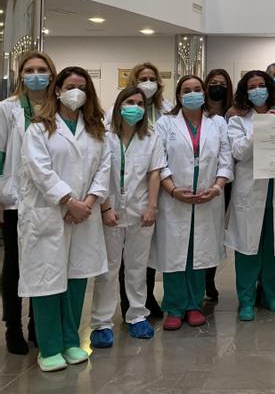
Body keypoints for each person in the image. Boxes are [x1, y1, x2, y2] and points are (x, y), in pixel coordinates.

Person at [19, 66, 111, 372]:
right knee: (47, 281)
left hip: (84, 214)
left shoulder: (97, 129)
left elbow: (104, 169)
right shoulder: (39, 128)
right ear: (57, 90)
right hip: (50, 214)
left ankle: (72, 341)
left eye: (82, 87)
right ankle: (50, 347)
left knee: (76, 279)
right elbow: (39, 170)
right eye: (71, 86)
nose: (77, 92)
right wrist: (69, 201)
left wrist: (87, 203)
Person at [153, 75, 233, 331]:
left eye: (197, 89)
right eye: (186, 90)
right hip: (174, 198)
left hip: (208, 196)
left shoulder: (217, 122)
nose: (192, 94)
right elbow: (158, 161)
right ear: (178, 96)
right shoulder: (165, 123)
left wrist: (217, 187)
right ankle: (174, 307)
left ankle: (194, 304)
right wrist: (172, 189)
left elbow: (226, 158)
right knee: (175, 252)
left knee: (200, 252)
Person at [89, 87, 166, 348]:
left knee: (137, 268)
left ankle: (136, 315)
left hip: (141, 209)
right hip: (109, 209)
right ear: (119, 105)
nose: (135, 107)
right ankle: (101, 322)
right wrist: (105, 207)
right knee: (108, 269)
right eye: (129, 102)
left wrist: (152, 207)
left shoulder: (151, 136)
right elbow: (98, 172)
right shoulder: (103, 135)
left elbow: (155, 173)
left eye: (140, 103)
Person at [226, 71, 275, 321]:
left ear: (269, 88)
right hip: (250, 193)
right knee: (247, 249)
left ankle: (270, 295)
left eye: (261, 86)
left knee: (272, 248)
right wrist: (261, 126)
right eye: (252, 87)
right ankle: (246, 300)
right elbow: (239, 153)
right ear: (245, 92)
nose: (258, 91)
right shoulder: (237, 120)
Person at [0, 51, 57, 355]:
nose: (36, 75)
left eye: (42, 69)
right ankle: (13, 326)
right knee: (15, 265)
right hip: (14, 199)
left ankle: (38, 322)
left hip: (49, 198)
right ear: (21, 75)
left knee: (45, 261)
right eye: (29, 70)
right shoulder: (7, 109)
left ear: (52, 73)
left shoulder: (57, 108)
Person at [120, 62, 170, 319]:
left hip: (160, 189)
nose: (148, 82)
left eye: (152, 78)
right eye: (143, 78)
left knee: (147, 253)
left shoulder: (167, 109)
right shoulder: (116, 115)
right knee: (124, 257)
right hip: (126, 195)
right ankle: (128, 304)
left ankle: (147, 298)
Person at [203, 68, 234, 300]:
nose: (217, 87)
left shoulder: (234, 112)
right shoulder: (196, 113)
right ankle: (197, 279)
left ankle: (208, 279)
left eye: (222, 83)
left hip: (228, 179)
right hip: (199, 179)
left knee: (216, 232)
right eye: (213, 82)